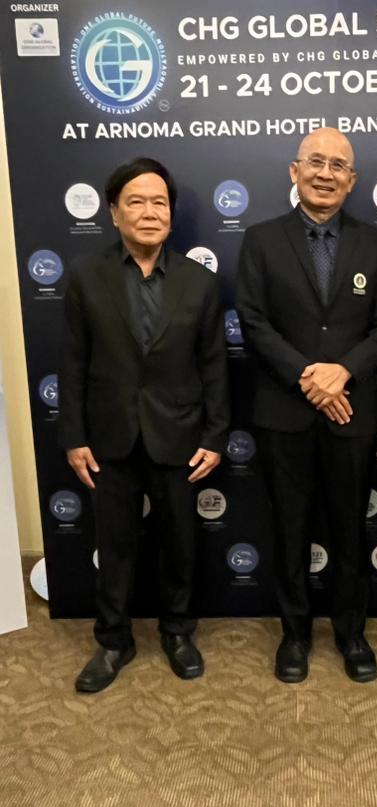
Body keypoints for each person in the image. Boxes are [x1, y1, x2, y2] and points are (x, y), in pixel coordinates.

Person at [236, 127, 377, 684]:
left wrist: (343, 372)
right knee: (289, 529)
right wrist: (309, 377)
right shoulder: (260, 240)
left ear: (352, 181)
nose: (325, 174)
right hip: (284, 412)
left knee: (350, 527)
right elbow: (253, 320)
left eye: (338, 166)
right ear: (295, 171)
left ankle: (352, 634)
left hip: (353, 411)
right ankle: (295, 634)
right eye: (316, 162)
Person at [59, 157, 229, 693]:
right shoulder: (86, 275)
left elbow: (214, 366)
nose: (150, 212)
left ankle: (177, 632)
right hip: (109, 438)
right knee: (114, 547)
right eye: (136, 201)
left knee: (179, 543)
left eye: (160, 202)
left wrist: (215, 436)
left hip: (179, 436)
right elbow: (72, 363)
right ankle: (114, 640)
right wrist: (73, 436)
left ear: (171, 214)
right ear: (114, 212)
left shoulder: (200, 282)